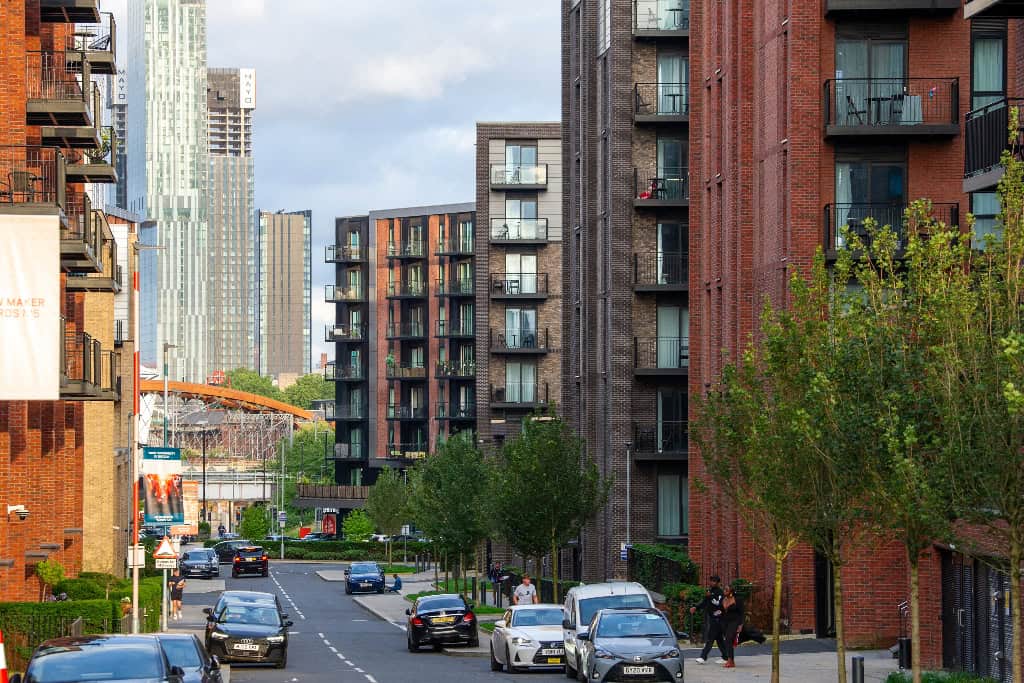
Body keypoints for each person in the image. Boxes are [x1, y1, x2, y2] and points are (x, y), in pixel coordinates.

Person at [690, 575, 726, 665]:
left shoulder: (720, 592)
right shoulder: (709, 591)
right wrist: (696, 607)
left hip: (718, 618)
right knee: (719, 639)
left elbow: (718, 603)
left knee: (710, 638)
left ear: (718, 583)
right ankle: (726, 657)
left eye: (714, 581)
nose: (712, 583)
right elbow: (704, 602)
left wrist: (710, 597)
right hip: (712, 617)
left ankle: (703, 657)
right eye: (711, 581)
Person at [720, 585, 744, 669]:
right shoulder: (723, 599)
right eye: (724, 589)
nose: (724, 591)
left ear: (731, 592)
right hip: (725, 622)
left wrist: (741, 624)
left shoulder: (737, 599)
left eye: (726, 589)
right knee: (727, 640)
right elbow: (721, 611)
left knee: (728, 638)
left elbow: (741, 613)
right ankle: (732, 661)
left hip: (735, 621)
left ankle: (730, 660)